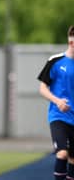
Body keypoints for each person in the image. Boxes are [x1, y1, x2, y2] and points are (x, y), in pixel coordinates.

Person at [37, 25, 74, 180]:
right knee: (62, 153)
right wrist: (57, 101)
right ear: (71, 42)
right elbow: (42, 88)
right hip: (58, 116)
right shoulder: (55, 61)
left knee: (73, 159)